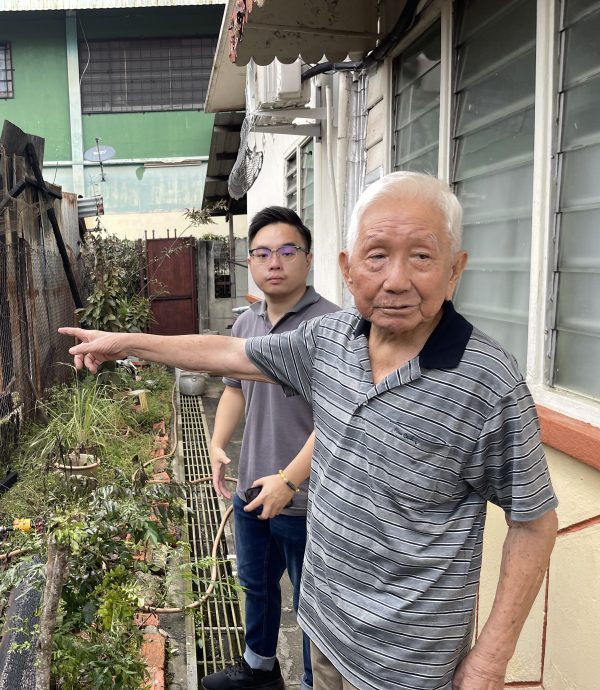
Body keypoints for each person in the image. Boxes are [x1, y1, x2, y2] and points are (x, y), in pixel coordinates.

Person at [59, 171, 558, 690]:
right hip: (323, 632)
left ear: (454, 271)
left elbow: (534, 522)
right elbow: (229, 354)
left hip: (407, 667)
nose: (396, 280)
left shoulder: (488, 382)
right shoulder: (330, 339)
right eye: (377, 256)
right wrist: (125, 342)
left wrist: (490, 659)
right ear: (348, 268)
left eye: (421, 256)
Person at [205, 207, 337, 690]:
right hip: (253, 487)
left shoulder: (334, 326)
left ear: (309, 258)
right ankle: (259, 669)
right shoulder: (246, 324)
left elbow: (340, 419)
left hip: (309, 499)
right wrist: (218, 443)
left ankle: (312, 682)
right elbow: (234, 390)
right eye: (262, 254)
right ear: (251, 263)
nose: (274, 263)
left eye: (286, 251)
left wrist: (289, 480)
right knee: (256, 585)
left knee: (312, 603)